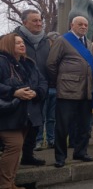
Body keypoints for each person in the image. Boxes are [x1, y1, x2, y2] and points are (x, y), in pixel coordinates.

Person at [47, 16, 93, 168]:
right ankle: (60, 156)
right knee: (63, 126)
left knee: (84, 125)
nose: (83, 27)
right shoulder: (62, 40)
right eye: (80, 24)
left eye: (86, 25)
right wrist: (60, 82)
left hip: (85, 91)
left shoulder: (87, 43)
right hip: (67, 91)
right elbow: (51, 64)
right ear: (72, 25)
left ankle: (80, 152)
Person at [0, 33, 47, 188]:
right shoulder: (2, 61)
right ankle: (6, 184)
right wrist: (13, 91)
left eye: (22, 42)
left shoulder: (29, 63)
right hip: (7, 115)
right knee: (14, 146)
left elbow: (42, 82)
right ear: (7, 44)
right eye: (17, 43)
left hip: (25, 113)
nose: (22, 45)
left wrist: (36, 92)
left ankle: (10, 183)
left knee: (17, 148)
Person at [13, 9, 50, 166]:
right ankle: (11, 159)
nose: (39, 23)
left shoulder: (46, 41)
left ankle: (28, 155)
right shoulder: (12, 39)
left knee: (35, 124)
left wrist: (43, 88)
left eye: (40, 20)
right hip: (19, 91)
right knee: (17, 128)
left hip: (39, 89)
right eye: (34, 20)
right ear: (24, 22)